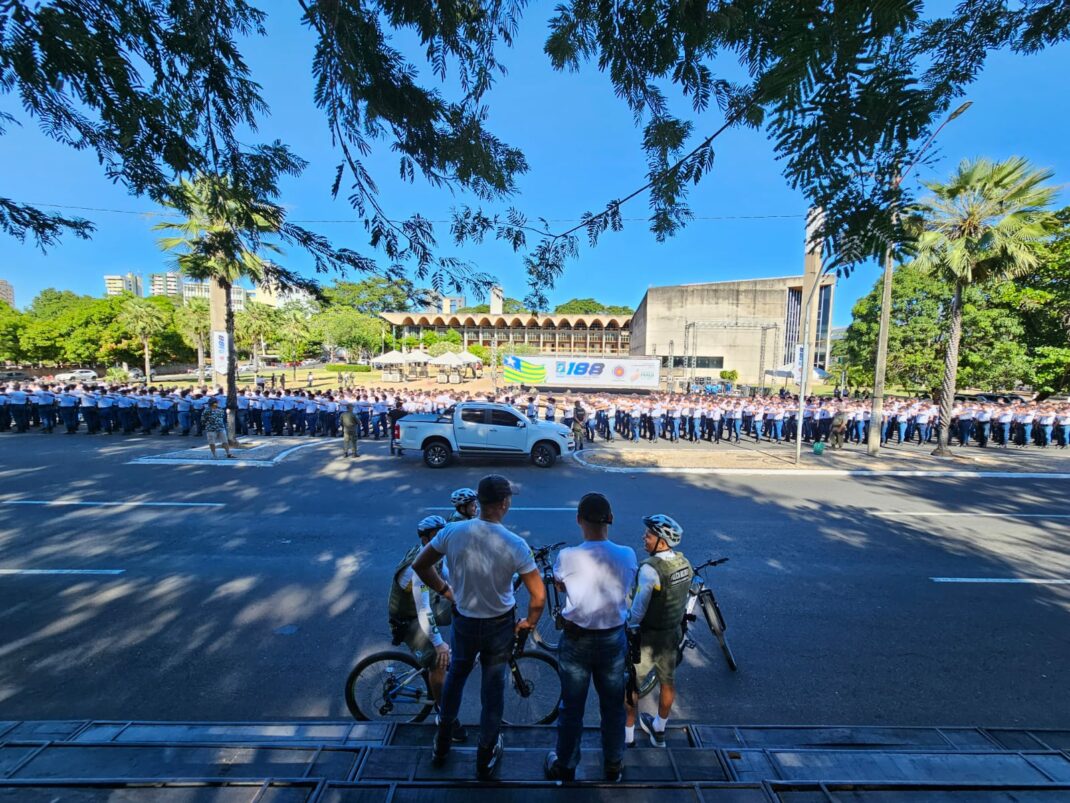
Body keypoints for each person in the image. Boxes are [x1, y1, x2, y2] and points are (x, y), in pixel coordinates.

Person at [413, 474, 545, 781]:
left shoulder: (452, 532)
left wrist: (446, 591)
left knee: (456, 678)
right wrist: (529, 623)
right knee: (492, 688)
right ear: (503, 503)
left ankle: (442, 742)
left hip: (464, 622)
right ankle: (486, 753)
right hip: (499, 625)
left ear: (479, 502)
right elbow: (538, 596)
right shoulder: (516, 544)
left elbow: (421, 565)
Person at [545, 493, 637, 783]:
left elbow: (559, 583)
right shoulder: (627, 554)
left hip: (577, 640)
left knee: (571, 707)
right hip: (613, 640)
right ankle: (613, 763)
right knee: (612, 706)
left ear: (579, 520)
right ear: (610, 519)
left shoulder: (567, 556)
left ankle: (566, 765)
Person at [625, 514, 692, 748]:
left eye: (649, 535)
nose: (645, 537)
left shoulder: (650, 570)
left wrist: (626, 627)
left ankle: (628, 736)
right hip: (671, 634)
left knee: (631, 684)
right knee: (668, 683)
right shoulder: (684, 564)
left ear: (661, 542)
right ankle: (659, 730)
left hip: (648, 639)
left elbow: (637, 611)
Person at [388, 515, 461, 724]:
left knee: (465, 606)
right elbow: (423, 610)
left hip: (423, 606)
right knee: (438, 663)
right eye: (439, 535)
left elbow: (446, 574)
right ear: (427, 538)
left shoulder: (435, 552)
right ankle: (444, 714)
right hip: (407, 618)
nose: (444, 539)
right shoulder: (417, 569)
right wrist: (438, 645)